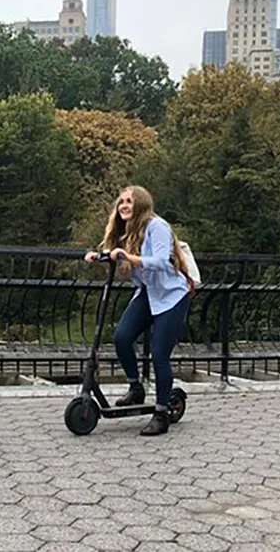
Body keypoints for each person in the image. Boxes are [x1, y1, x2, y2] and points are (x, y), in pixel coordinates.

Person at [84, 186, 196, 436]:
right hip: (148, 293)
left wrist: (127, 257)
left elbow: (160, 261)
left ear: (141, 204)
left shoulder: (157, 227)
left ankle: (161, 413)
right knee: (122, 337)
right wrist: (99, 255)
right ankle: (136, 387)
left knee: (159, 353)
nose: (123, 205)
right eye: (121, 202)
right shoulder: (125, 229)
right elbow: (115, 252)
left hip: (172, 295)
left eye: (129, 201)